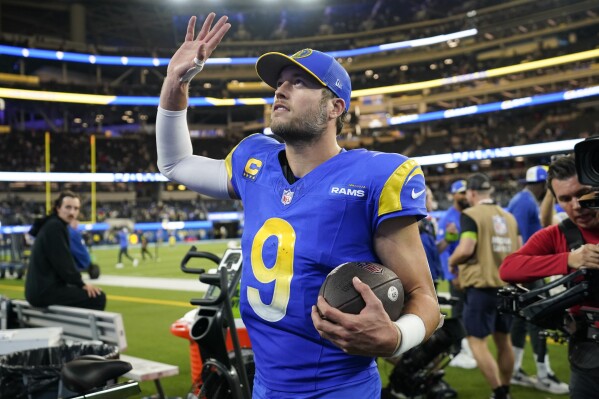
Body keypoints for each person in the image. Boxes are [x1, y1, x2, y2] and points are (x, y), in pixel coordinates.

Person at [156, 13, 441, 398]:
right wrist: (175, 81)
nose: (281, 90)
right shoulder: (253, 160)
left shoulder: (377, 175)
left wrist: (395, 338)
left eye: (300, 82)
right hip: (267, 387)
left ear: (335, 107)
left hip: (340, 390)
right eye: (279, 83)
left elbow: (425, 298)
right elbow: (174, 162)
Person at [500, 155, 599, 399]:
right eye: (565, 199)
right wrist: (568, 259)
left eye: (583, 193)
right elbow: (509, 268)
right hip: (588, 353)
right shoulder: (559, 234)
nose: (576, 205)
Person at [448, 173, 519, 399]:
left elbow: (467, 248)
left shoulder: (470, 215)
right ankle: (506, 387)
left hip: (481, 288)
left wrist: (452, 261)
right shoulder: (508, 217)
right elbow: (520, 248)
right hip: (507, 288)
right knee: (504, 340)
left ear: (472, 193)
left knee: (476, 341)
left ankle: (498, 392)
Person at [506, 166, 568, 394]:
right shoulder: (526, 202)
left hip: (523, 270)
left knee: (522, 321)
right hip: (529, 270)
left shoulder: (520, 200)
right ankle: (543, 374)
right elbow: (523, 239)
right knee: (540, 319)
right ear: (545, 185)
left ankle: (515, 369)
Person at [25, 191, 106, 310]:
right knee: (98, 298)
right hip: (44, 292)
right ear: (58, 208)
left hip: (39, 290)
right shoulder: (56, 227)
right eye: (68, 207)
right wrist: (81, 284)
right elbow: (63, 262)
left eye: (76, 208)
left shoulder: (52, 224)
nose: (72, 212)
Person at [437, 179, 477, 369]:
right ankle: (458, 350)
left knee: (469, 312)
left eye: (466, 192)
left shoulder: (470, 214)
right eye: (460, 192)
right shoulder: (448, 219)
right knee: (457, 312)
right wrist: (453, 275)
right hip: (458, 273)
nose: (464, 195)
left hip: (472, 273)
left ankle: (465, 346)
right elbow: (444, 250)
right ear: (454, 195)